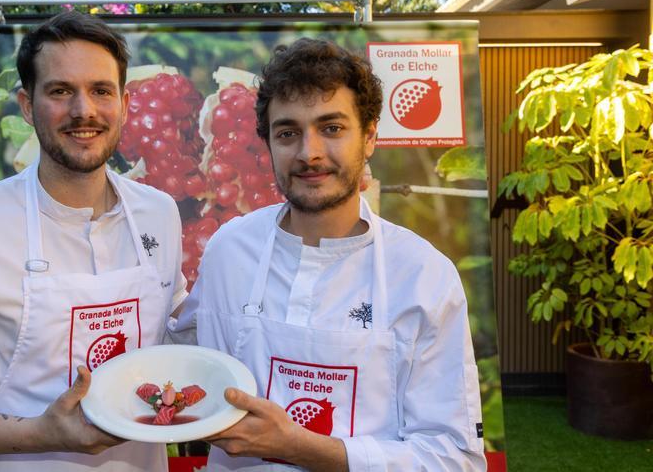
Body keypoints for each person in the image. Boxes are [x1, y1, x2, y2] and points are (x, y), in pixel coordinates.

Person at [0, 11, 187, 471]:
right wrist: (38, 435)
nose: (84, 110)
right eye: (61, 91)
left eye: (101, 91)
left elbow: (176, 326)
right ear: (27, 105)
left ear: (123, 103)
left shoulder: (159, 212)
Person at [169, 38, 487, 471]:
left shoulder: (424, 275)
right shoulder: (229, 248)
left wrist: (300, 446)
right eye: (288, 133)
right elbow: (179, 353)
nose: (309, 153)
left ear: (370, 136)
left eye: (331, 128)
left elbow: (456, 459)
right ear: (267, 144)